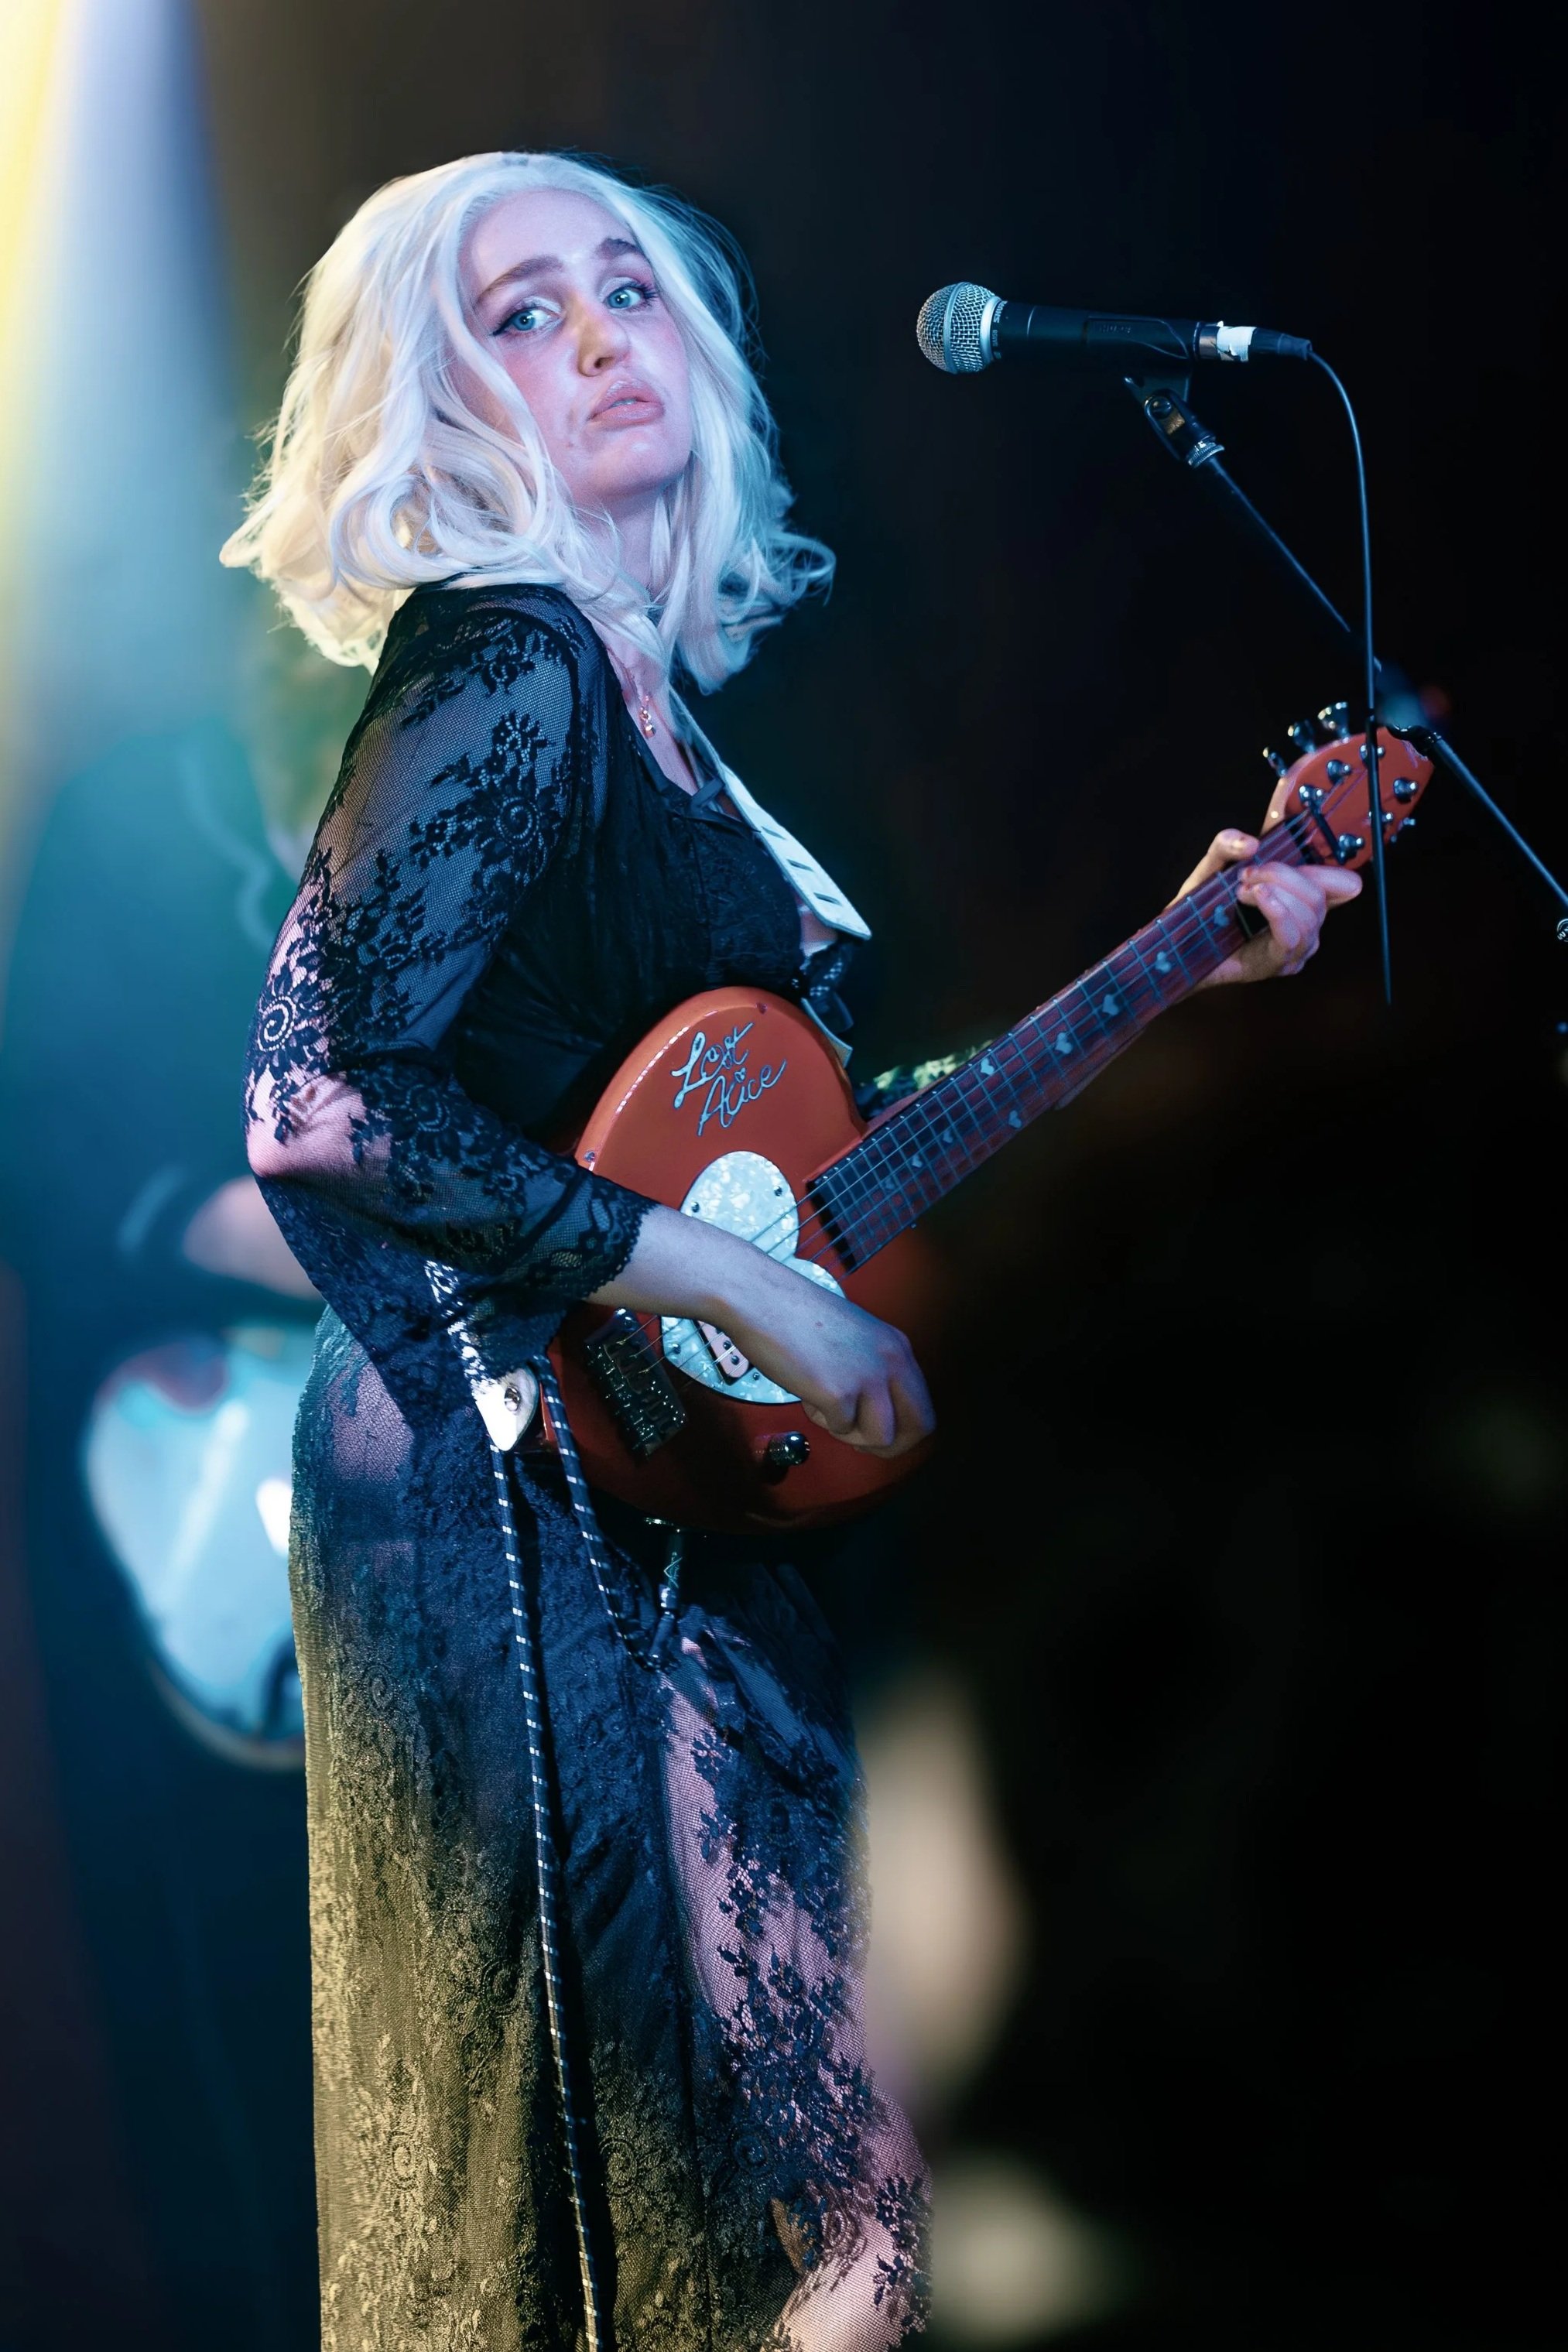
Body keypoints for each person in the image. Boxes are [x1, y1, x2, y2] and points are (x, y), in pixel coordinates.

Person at [222, 150, 1357, 2351]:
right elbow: (318, 1098)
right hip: (522, 1480)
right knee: (736, 2215)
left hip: (661, 1487)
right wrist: (735, 1288)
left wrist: (1172, 961)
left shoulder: (650, 708)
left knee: (837, 2222)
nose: (594, 335)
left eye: (624, 287)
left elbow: (789, 1161)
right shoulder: (511, 654)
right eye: (518, 314)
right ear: (431, 404)